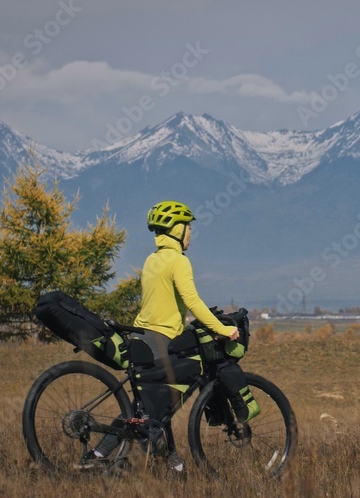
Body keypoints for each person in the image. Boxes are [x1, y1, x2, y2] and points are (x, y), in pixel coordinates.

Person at [83, 200, 259, 473]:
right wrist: (223, 329)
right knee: (160, 405)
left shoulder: (151, 260)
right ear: (177, 229)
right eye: (188, 227)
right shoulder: (179, 261)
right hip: (162, 341)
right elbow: (193, 301)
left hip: (142, 338)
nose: (190, 233)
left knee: (148, 408)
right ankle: (140, 462)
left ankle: (124, 458)